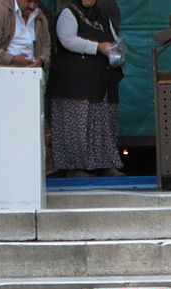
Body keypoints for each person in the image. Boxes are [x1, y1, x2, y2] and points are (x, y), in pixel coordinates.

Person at [46, 0, 123, 177]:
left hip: (99, 82)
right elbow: (67, 40)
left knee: (102, 125)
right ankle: (75, 168)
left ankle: (104, 164)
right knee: (76, 125)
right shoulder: (68, 13)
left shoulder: (101, 15)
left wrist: (117, 52)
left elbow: (113, 40)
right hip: (74, 84)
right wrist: (98, 47)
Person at [0, 0, 51, 73]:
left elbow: (46, 45)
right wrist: (12, 59)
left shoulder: (39, 16)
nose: (32, 6)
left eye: (36, 2)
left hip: (30, 73)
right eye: (28, 1)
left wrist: (41, 59)